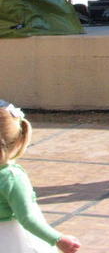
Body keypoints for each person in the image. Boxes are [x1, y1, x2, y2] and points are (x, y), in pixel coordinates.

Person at [0, 101, 81, 253]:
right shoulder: (11, 177)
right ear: (20, 139)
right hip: (14, 241)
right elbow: (27, 218)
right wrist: (58, 238)